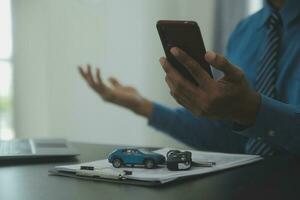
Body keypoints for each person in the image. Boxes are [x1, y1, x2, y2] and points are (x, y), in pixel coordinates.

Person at [78, 0, 300, 156]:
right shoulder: (245, 31)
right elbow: (231, 139)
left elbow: (252, 117)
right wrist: (141, 105)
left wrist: (252, 110)